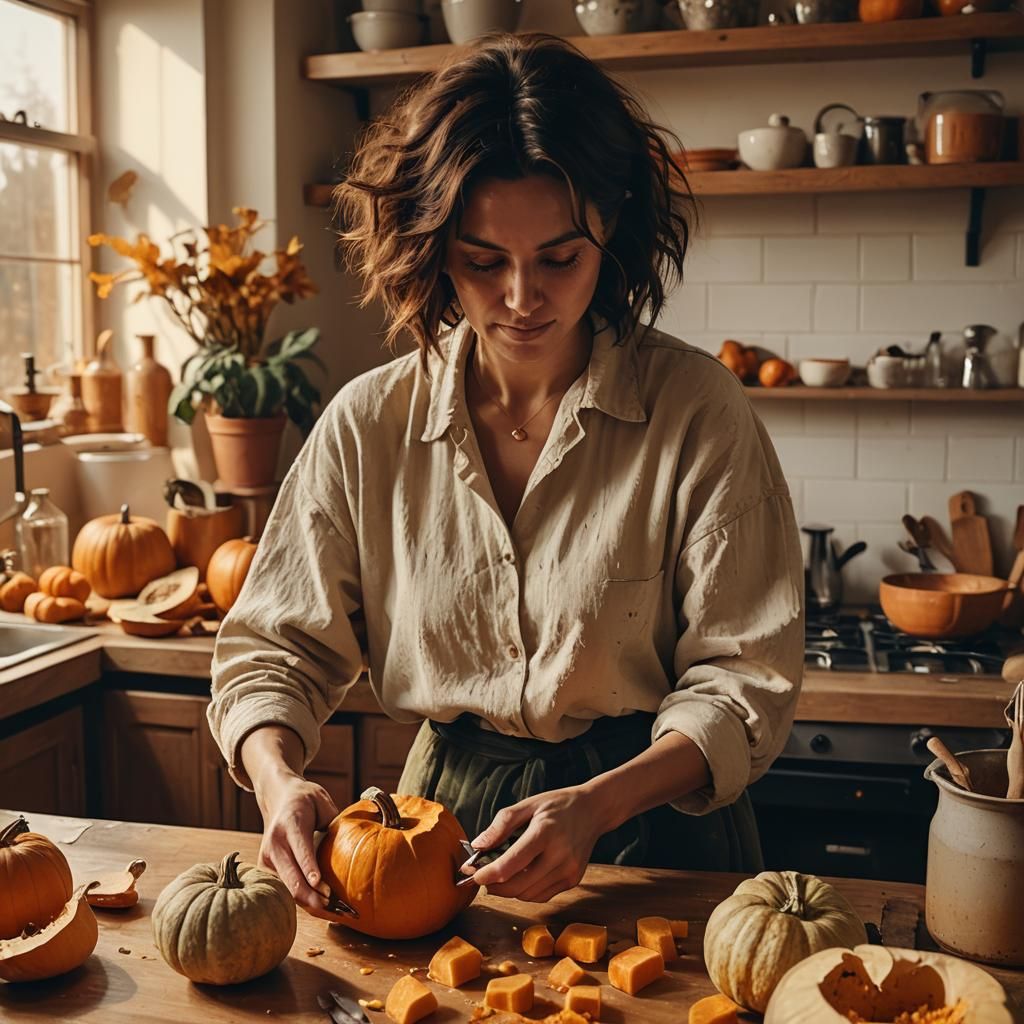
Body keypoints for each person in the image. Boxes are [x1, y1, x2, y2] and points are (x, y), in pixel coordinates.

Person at [208, 32, 804, 921]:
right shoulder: (369, 425)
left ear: (612, 229)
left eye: (559, 258)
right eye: (484, 261)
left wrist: (598, 804)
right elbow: (273, 652)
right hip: (432, 833)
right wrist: (278, 778)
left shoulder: (697, 411)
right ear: (432, 246)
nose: (523, 297)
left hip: (654, 830)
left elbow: (746, 679)